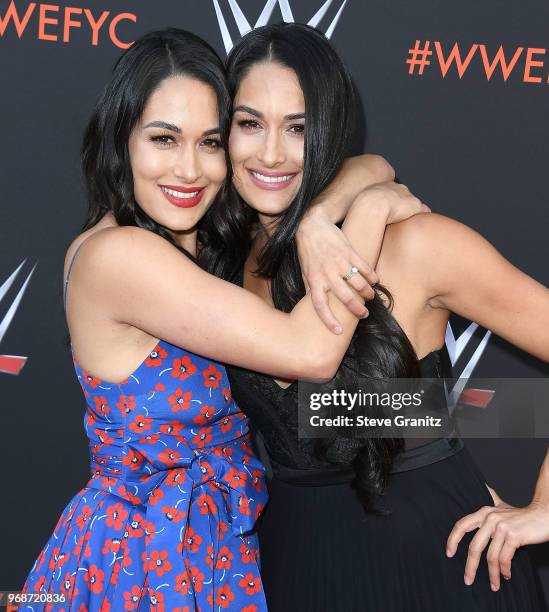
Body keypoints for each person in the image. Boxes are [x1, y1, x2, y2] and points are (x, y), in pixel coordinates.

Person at [20, 28, 424, 611]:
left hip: (241, 545)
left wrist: (320, 217)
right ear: (121, 142)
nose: (189, 169)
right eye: (163, 138)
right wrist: (369, 213)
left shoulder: (219, 247)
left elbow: (374, 162)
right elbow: (311, 353)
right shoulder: (119, 257)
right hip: (141, 563)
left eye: (209, 141)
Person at [215, 23, 549, 611]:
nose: (271, 153)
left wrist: (544, 509)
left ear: (329, 130)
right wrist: (347, 205)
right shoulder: (217, 263)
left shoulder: (417, 247)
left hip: (440, 574)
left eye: (298, 128)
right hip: (295, 571)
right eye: (250, 124)